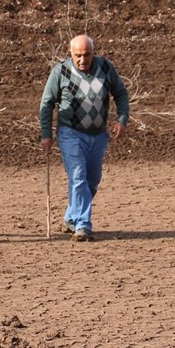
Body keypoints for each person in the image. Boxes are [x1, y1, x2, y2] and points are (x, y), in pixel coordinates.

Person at [39, 34, 130, 242]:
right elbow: (46, 104)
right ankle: (83, 225)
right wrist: (46, 134)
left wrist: (122, 119)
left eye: (87, 55)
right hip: (70, 132)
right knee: (78, 176)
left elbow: (121, 93)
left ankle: (71, 217)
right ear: (71, 53)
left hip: (98, 134)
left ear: (93, 53)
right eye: (78, 55)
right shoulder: (60, 72)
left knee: (92, 180)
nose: (83, 60)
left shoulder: (105, 68)